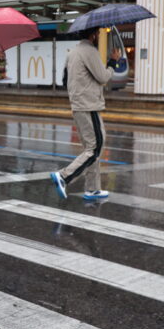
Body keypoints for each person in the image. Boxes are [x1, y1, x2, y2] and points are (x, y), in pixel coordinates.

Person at [50, 28, 121, 201]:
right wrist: (113, 62)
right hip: (89, 105)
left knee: (91, 148)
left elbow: (65, 80)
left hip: (78, 105)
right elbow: (103, 77)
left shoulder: (72, 52)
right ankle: (64, 176)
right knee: (95, 148)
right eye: (98, 33)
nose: (99, 36)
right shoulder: (90, 51)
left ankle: (92, 188)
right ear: (93, 35)